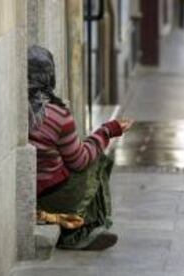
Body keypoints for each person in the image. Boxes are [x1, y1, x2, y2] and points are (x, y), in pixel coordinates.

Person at [28, 45, 133, 249]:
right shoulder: (57, 115)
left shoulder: (15, 109)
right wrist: (108, 131)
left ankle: (74, 226)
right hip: (52, 196)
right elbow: (80, 161)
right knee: (98, 160)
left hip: (30, 196)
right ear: (50, 76)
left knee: (85, 148)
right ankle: (85, 228)